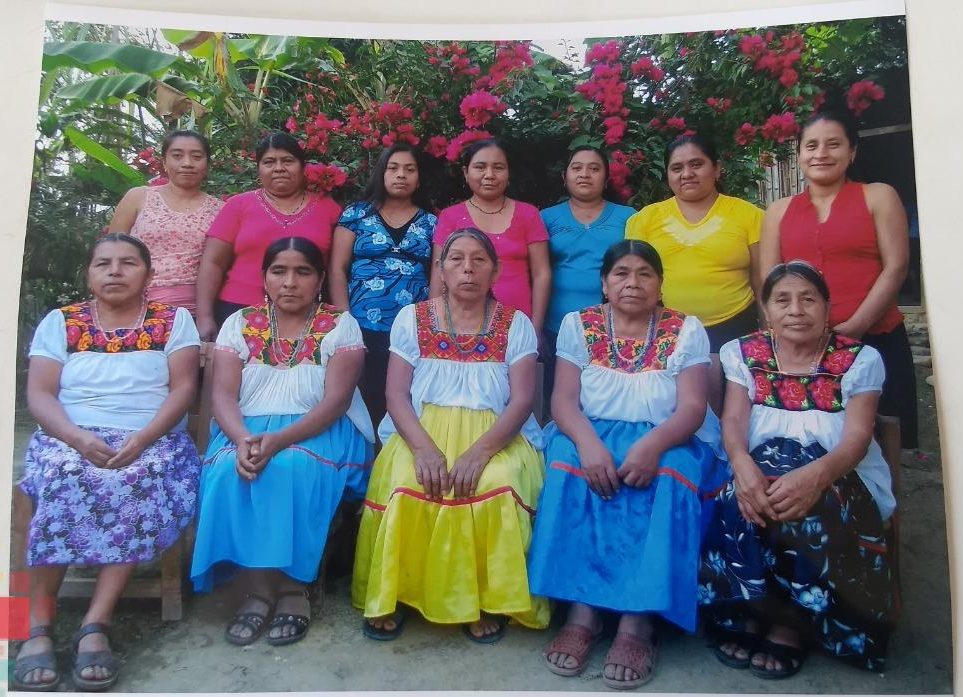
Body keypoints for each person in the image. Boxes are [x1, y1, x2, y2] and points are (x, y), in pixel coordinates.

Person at [527, 240, 726, 690]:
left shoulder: (686, 329)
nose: (632, 283)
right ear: (604, 283)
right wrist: (589, 445)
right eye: (621, 273)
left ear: (660, 283)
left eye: (644, 274)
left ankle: (639, 622)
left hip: (669, 434)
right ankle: (582, 612)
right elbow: (563, 401)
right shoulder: (578, 325)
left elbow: (692, 409)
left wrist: (653, 446)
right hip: (589, 429)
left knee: (670, 477)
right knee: (567, 467)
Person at [13, 233, 201, 691]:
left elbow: (183, 389)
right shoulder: (61, 321)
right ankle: (33, 625)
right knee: (61, 476)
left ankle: (95, 623)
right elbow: (40, 394)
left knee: (137, 478)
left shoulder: (173, 321)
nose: (115, 271)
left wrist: (143, 438)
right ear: (88, 274)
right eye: (103, 263)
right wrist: (76, 438)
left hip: (151, 440)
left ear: (149, 274)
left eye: (128, 263)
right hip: (68, 436)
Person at [353, 227, 549, 643]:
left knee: (496, 484)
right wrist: (423, 449)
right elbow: (395, 395)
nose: (468, 269)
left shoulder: (516, 324)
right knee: (407, 480)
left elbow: (521, 402)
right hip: (421, 429)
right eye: (456, 259)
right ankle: (398, 592)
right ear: (440, 270)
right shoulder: (412, 318)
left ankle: (485, 598)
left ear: (495, 270)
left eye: (479, 260)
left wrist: (481, 452)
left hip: (497, 433)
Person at [699, 261, 895, 678]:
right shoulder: (742, 353)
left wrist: (815, 477)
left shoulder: (858, 359)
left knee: (808, 510)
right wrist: (741, 467)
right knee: (735, 499)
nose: (796, 310)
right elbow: (732, 421)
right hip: (757, 465)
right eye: (782, 300)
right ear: (766, 309)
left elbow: (857, 439)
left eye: (808, 299)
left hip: (839, 472)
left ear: (827, 307)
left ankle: (794, 624)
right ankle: (750, 611)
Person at [190, 236, 374, 647]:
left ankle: (293, 588)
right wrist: (242, 438)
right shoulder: (239, 323)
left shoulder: (340, 324)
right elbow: (223, 396)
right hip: (245, 428)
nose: (290, 282)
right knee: (228, 470)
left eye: (302, 272)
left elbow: (336, 402)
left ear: (320, 279)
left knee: (293, 467)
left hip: (321, 428)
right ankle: (256, 590)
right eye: (279, 271)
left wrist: (279, 440)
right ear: (264, 278)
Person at [759, 111, 915, 448]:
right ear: (799, 154)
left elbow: (896, 267)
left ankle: (888, 485)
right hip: (802, 344)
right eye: (811, 146)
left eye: (833, 144)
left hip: (876, 335)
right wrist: (779, 335)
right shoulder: (779, 211)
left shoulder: (878, 196)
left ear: (852, 151)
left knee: (884, 430)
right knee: (814, 436)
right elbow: (770, 281)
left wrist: (857, 325)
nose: (821, 154)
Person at [625, 135, 763, 411]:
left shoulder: (749, 216)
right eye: (677, 168)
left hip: (735, 327)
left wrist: (770, 331)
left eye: (696, 164)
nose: (686, 174)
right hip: (666, 332)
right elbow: (634, 280)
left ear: (717, 168)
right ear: (667, 175)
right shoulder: (644, 220)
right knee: (672, 411)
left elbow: (763, 279)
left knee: (733, 412)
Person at [328, 144, 437, 429]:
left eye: (410, 169)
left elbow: (438, 275)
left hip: (411, 329)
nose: (401, 175)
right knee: (362, 398)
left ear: (419, 178)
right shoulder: (356, 214)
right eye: (393, 168)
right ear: (382, 173)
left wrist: (430, 324)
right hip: (360, 324)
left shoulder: (431, 222)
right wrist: (345, 322)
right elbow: (337, 269)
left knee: (404, 399)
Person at [195, 132, 342, 341]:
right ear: (259, 169)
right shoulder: (238, 206)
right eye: (269, 162)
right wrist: (205, 317)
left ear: (302, 167)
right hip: (239, 311)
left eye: (287, 161)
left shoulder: (328, 209)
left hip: (307, 316)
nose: (278, 168)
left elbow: (338, 269)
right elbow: (213, 262)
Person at [540, 145, 635, 401]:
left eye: (594, 169)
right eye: (577, 168)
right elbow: (536, 272)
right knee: (560, 399)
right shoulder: (546, 218)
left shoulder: (629, 218)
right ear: (565, 176)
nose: (585, 174)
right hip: (557, 327)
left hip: (615, 328)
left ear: (606, 178)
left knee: (607, 400)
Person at [429, 138, 551, 337]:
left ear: (508, 173)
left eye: (498, 167)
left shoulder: (528, 214)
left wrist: (535, 329)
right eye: (480, 167)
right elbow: (439, 274)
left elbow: (541, 274)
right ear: (465, 173)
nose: (489, 175)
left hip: (517, 324)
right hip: (460, 325)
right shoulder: (450, 216)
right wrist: (435, 326)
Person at [108, 130, 223, 314]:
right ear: (164, 162)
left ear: (207, 164)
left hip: (198, 311)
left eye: (196, 157)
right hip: (134, 307)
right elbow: (110, 252)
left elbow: (221, 265)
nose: (187, 163)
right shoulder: (138, 197)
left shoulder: (221, 210)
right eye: (177, 156)